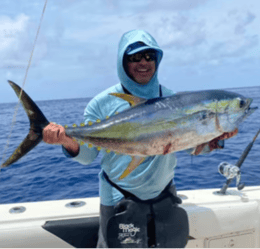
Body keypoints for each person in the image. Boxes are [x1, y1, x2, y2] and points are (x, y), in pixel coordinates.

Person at [43, 30, 188, 248]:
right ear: (123, 62)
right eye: (134, 57)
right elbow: (87, 157)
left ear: (157, 60)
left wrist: (214, 140)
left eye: (149, 56)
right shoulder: (101, 104)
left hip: (165, 196)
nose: (143, 63)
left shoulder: (172, 100)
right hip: (119, 198)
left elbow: (189, 142)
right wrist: (65, 140)